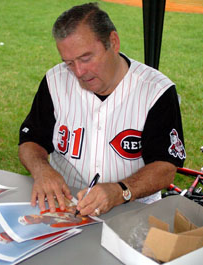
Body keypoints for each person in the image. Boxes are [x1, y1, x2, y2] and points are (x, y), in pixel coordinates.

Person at [18, 2, 185, 217]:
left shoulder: (155, 91)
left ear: (113, 42)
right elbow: (31, 141)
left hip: (134, 209)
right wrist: (42, 171)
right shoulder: (54, 81)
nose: (78, 71)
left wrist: (121, 190)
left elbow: (165, 167)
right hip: (66, 205)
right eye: (69, 63)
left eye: (86, 58)